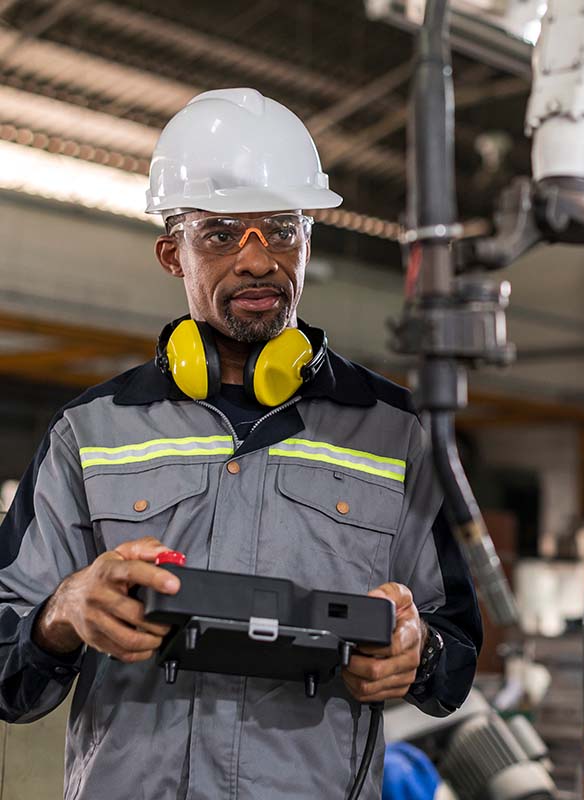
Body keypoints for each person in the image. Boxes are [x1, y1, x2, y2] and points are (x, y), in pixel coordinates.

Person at [0, 88, 481, 799]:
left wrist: (418, 652)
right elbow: (9, 675)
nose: (258, 261)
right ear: (173, 254)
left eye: (282, 231)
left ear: (308, 242)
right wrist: (64, 614)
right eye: (221, 234)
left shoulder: (397, 433)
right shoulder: (88, 432)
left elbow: (456, 656)